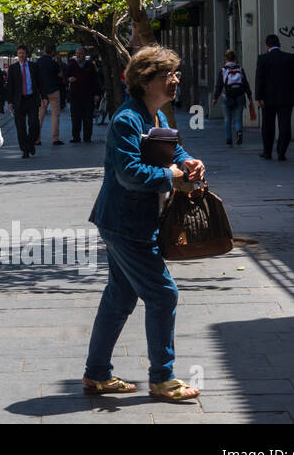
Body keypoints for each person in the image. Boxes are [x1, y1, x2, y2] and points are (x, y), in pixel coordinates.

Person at [83, 45, 206, 402]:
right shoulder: (126, 121)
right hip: (125, 224)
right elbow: (130, 174)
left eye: (176, 73)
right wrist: (171, 175)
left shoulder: (158, 118)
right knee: (164, 294)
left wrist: (191, 162)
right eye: (169, 74)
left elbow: (174, 152)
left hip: (137, 222)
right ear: (146, 79)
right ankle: (162, 378)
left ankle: (97, 375)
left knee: (120, 298)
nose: (176, 79)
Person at [255, 33, 294, 161]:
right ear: (278, 44)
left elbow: (259, 79)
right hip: (286, 98)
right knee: (285, 125)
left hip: (267, 98)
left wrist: (259, 97)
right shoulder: (289, 58)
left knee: (268, 125)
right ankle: (281, 152)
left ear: (267, 45)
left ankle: (267, 152)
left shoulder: (263, 59)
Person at [211, 49, 253, 146]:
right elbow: (245, 84)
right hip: (240, 96)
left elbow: (219, 85)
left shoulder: (223, 70)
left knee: (227, 119)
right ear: (235, 58)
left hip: (227, 96)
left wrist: (215, 98)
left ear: (225, 58)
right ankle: (239, 132)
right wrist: (249, 95)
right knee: (238, 118)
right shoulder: (240, 69)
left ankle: (229, 140)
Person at [7, 45, 41, 158]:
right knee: (20, 127)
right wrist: (10, 102)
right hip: (19, 100)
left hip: (31, 99)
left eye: (23, 53)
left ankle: (30, 144)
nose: (21, 55)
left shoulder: (34, 67)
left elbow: (40, 83)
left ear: (27, 54)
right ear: (17, 54)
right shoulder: (13, 68)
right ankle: (25, 149)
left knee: (34, 124)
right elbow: (10, 86)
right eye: (19, 53)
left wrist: (44, 97)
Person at [65, 46, 102, 144]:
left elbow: (95, 81)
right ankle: (76, 137)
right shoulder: (72, 65)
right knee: (75, 117)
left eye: (80, 54)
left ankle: (87, 137)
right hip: (75, 96)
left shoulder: (90, 66)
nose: (78, 55)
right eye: (77, 53)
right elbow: (65, 77)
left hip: (88, 95)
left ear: (85, 55)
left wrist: (97, 94)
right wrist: (69, 79)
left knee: (88, 117)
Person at [35, 43, 64, 146]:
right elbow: (60, 75)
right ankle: (55, 139)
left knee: (40, 116)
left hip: (42, 93)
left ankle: (36, 139)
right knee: (55, 116)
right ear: (52, 51)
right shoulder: (54, 63)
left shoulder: (38, 62)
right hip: (54, 91)